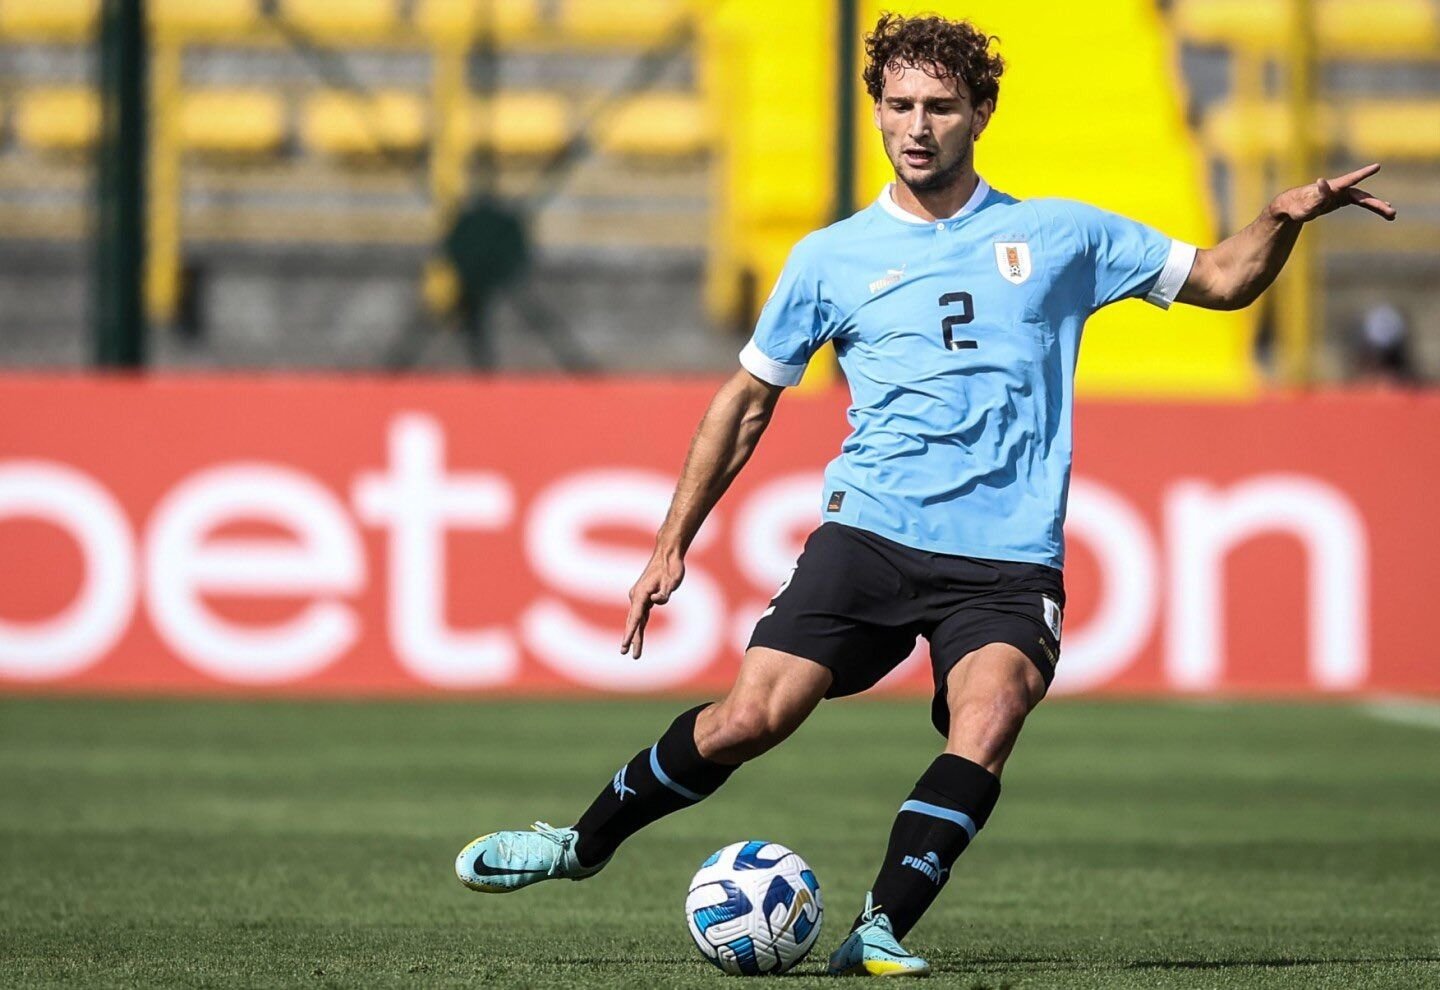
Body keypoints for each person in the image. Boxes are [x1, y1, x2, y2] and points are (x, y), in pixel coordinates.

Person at [455, 13, 1395, 977]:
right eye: (899, 104)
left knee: (992, 714)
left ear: (980, 113)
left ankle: (879, 927)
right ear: (874, 110)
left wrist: (1279, 219)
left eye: (940, 106)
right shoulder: (830, 258)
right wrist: (670, 543)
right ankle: (580, 844)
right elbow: (745, 403)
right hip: (871, 535)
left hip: (1005, 558)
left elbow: (1225, 278)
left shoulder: (1061, 235)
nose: (916, 125)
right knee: (751, 718)